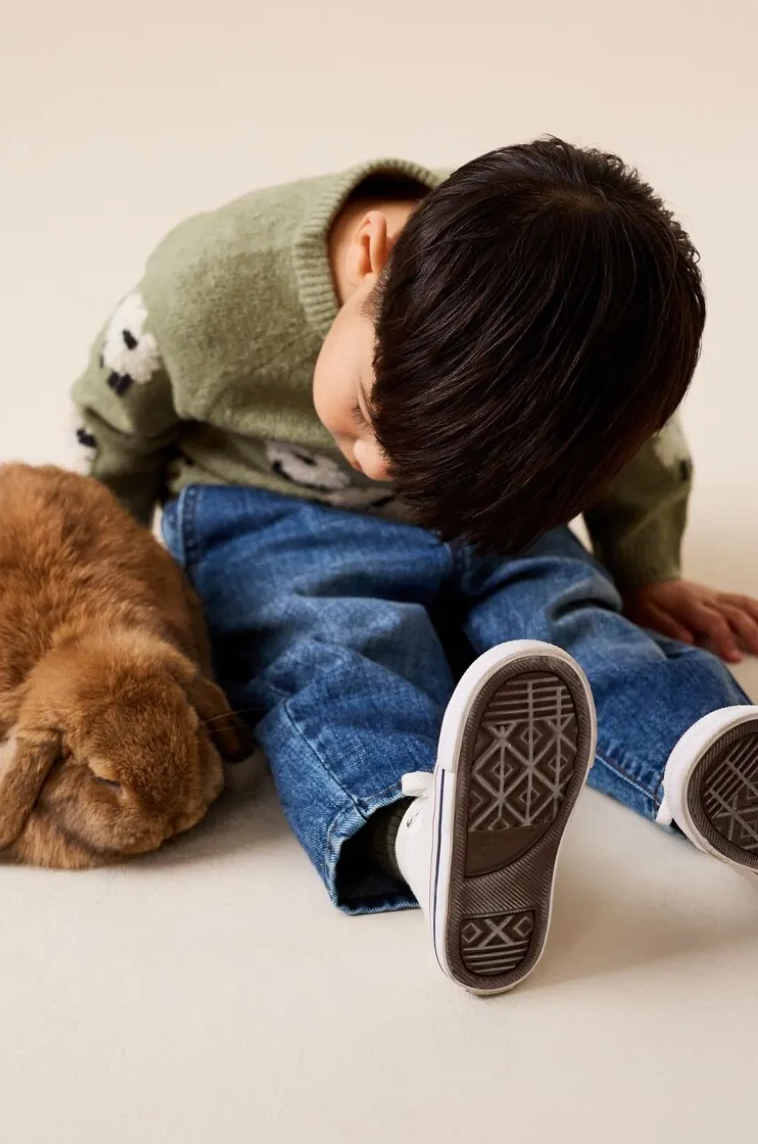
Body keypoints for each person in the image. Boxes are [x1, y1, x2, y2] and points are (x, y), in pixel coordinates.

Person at [71, 140, 758, 994]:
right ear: (374, 256)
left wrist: (646, 568)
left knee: (567, 613)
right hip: (274, 512)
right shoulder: (204, 291)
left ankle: (698, 743)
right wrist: (108, 595)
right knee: (325, 649)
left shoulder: (564, 354)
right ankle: (421, 834)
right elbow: (112, 426)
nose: (379, 464)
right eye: (367, 411)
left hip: (480, 505)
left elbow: (635, 446)